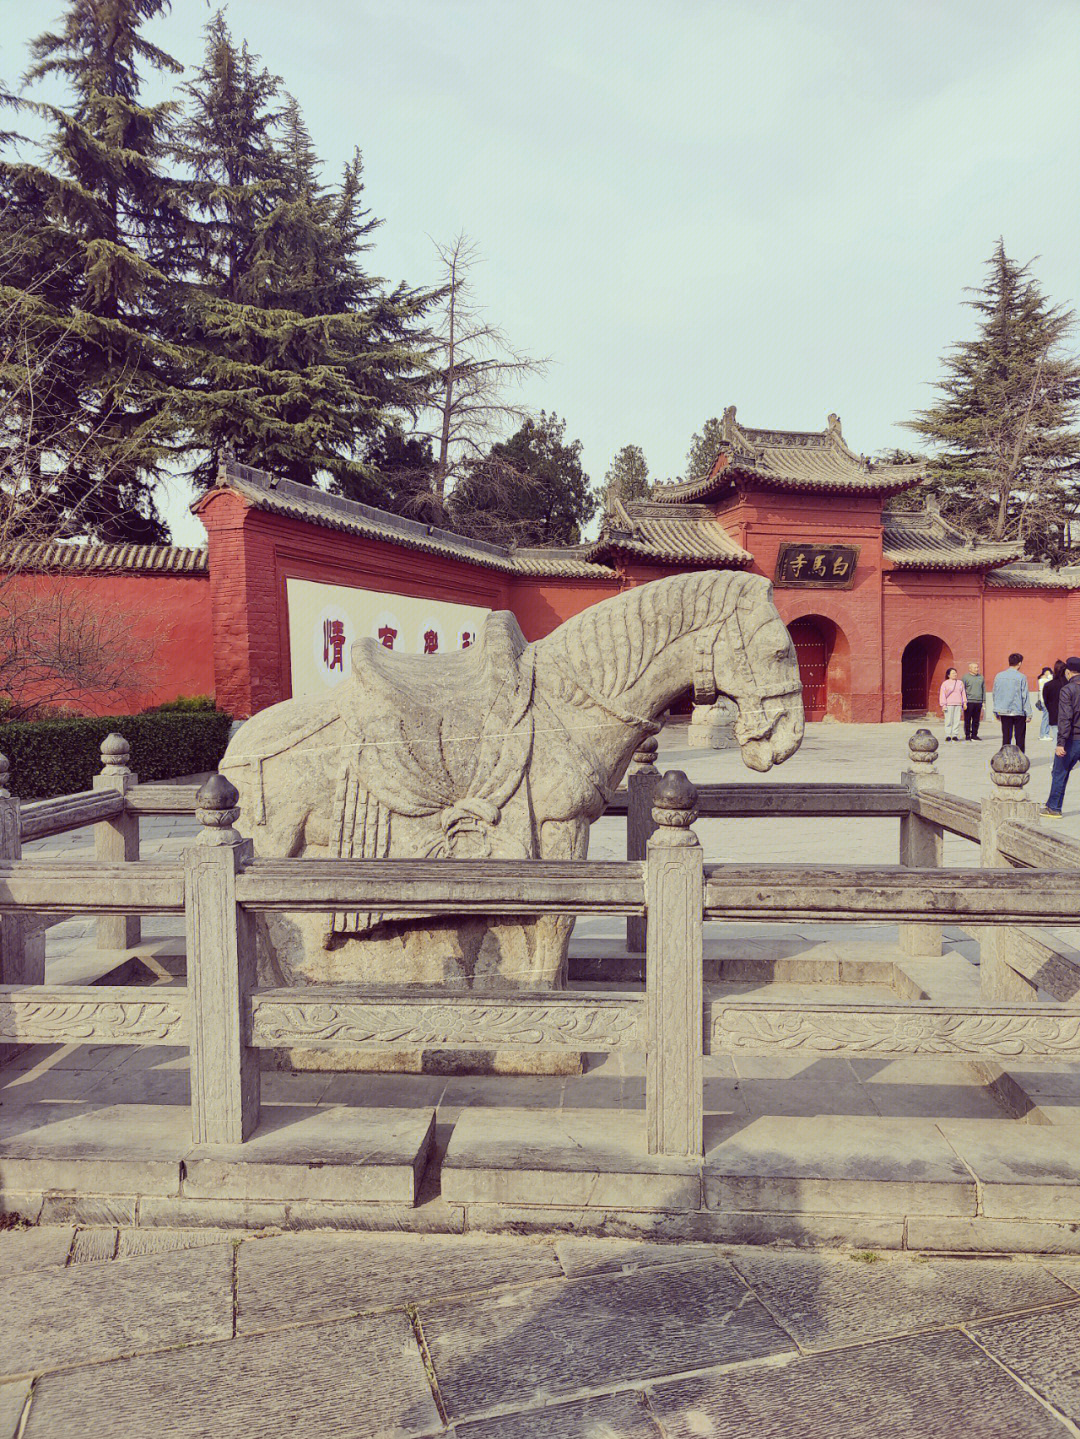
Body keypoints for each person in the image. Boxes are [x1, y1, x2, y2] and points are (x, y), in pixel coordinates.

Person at [1042, 657, 1080, 818]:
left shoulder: (1068, 690)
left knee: (1060, 772)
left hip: (1073, 739)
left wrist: (1060, 743)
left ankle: (1054, 807)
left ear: (1068, 672)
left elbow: (1065, 718)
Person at [992, 652, 1031, 752]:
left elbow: (995, 694)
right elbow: (1025, 696)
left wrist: (996, 710)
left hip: (1004, 711)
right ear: (1019, 663)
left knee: (1006, 737)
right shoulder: (1021, 677)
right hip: (1018, 711)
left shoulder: (999, 676)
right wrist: (1029, 713)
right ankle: (1020, 759)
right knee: (1020, 738)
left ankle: (1005, 758)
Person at [1043, 659, 1067, 748]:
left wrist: (1051, 710)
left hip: (1054, 716)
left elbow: (1046, 701)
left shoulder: (1048, 685)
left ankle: (1058, 760)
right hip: (1069, 717)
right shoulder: (1070, 684)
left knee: (1057, 741)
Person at [938, 666, 966, 741]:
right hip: (949, 704)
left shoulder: (960, 683)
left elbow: (963, 693)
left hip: (958, 703)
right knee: (948, 720)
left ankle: (954, 735)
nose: (955, 674)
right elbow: (942, 694)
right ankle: (948, 734)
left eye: (955, 673)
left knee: (957, 720)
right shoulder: (945, 683)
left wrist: (964, 702)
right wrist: (943, 705)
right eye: (953, 673)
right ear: (948, 675)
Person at [962, 661, 985, 740]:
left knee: (976, 720)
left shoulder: (981, 677)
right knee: (967, 719)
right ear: (970, 669)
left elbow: (983, 689)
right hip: (969, 701)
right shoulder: (965, 677)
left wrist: (984, 701)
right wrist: (963, 701)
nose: (977, 669)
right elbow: (963, 690)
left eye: (977, 667)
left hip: (978, 702)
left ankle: (974, 735)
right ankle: (967, 735)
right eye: (975, 667)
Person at [1036, 666, 1054, 740]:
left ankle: (1044, 734)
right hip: (1045, 701)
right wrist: (1049, 675)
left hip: (1044, 701)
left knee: (1046, 718)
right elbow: (1051, 680)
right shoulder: (1043, 680)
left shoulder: (1042, 680)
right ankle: (1043, 735)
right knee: (1046, 718)